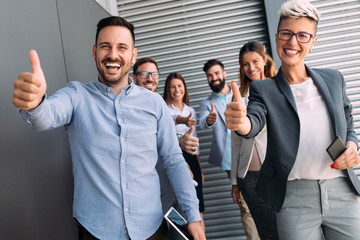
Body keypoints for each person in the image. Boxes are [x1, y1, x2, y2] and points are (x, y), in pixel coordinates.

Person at [12, 16, 206, 240]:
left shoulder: (154, 104)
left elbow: (173, 160)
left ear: (133, 56)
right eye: (105, 46)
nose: (113, 55)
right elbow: (44, 117)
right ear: (95, 51)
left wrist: (193, 216)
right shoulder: (76, 96)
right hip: (95, 231)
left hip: (152, 229)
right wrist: (34, 102)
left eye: (122, 47)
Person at [225, 0, 360, 239]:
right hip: (294, 198)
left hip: (342, 191)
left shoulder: (333, 79)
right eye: (286, 33)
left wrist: (352, 145)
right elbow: (253, 122)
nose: (292, 42)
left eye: (303, 35)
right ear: (277, 36)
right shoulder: (263, 90)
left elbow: (348, 125)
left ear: (313, 42)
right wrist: (242, 123)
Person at [132, 58, 201, 240]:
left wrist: (180, 146)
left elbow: (169, 133)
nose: (150, 78)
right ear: (133, 77)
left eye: (154, 74)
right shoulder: (128, 108)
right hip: (148, 199)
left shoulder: (159, 105)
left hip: (174, 192)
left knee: (184, 236)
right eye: (144, 74)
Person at [199, 60, 259, 239]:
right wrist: (210, 120)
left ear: (224, 74)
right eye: (210, 75)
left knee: (261, 201)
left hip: (252, 155)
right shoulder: (207, 103)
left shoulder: (241, 93)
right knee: (246, 205)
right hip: (229, 160)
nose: (214, 78)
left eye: (216, 73)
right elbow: (203, 122)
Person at [231, 41, 278, 240]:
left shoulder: (279, 89)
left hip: (276, 174)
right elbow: (235, 145)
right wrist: (235, 182)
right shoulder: (240, 97)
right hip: (248, 178)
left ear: (265, 61)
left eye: (255, 61)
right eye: (245, 64)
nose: (251, 68)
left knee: (286, 229)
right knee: (264, 232)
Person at [163, 72, 205, 231]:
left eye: (179, 86)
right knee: (181, 207)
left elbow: (195, 143)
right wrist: (182, 119)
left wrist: (199, 169)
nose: (176, 90)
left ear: (184, 88)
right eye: (172, 87)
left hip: (192, 158)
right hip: (175, 159)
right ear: (167, 89)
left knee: (198, 207)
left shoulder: (190, 110)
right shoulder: (164, 109)